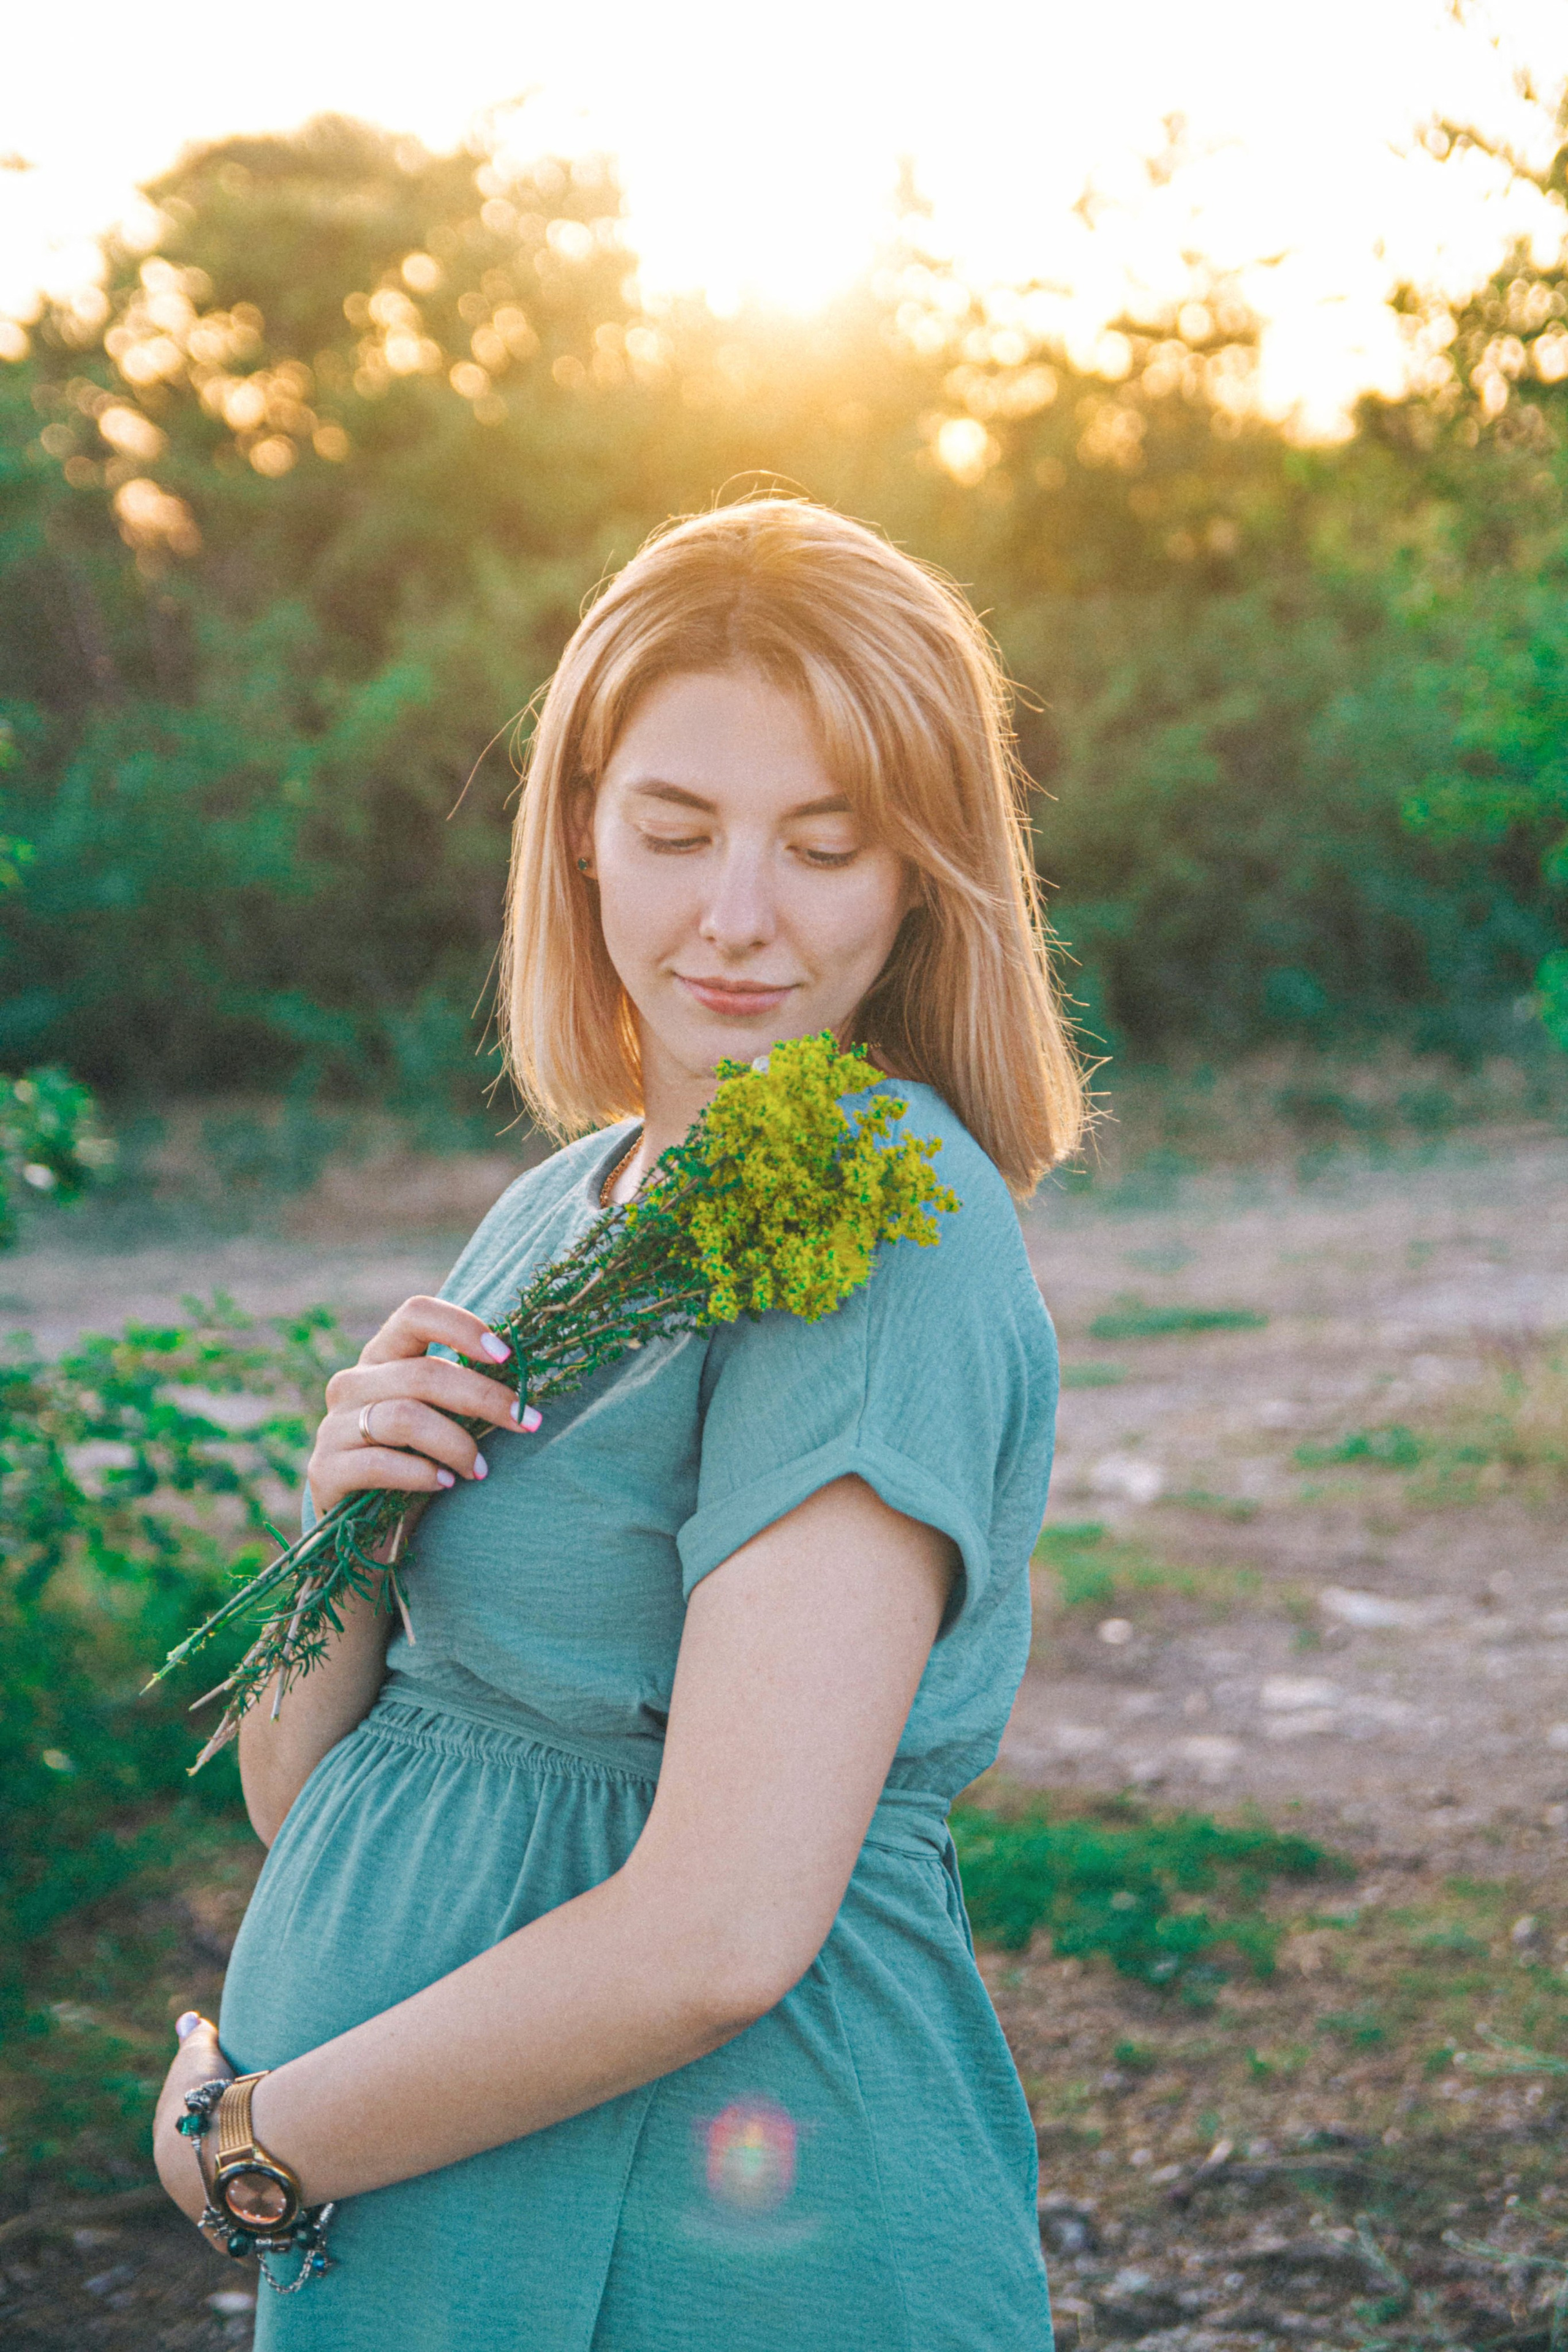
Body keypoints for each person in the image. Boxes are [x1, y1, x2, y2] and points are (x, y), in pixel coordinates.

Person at [154, 496, 1085, 2349]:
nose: (736, 915)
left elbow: (723, 1928)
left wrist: (253, 2150)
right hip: (434, 2228)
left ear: (921, 876)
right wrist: (350, 1526)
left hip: (705, 2241)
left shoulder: (872, 1212)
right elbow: (314, 1797)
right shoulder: (558, 1205)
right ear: (579, 826)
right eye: (674, 831)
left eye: (825, 845)